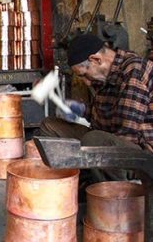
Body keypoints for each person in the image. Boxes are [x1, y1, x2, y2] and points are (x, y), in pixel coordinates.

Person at [39, 33, 153, 181]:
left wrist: (91, 149)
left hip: (142, 155)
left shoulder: (134, 70)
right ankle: (79, 179)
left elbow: (127, 134)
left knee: (93, 140)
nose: (86, 82)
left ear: (96, 59)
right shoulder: (106, 75)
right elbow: (105, 118)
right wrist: (83, 110)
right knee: (50, 126)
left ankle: (115, 193)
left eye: (84, 74)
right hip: (111, 139)